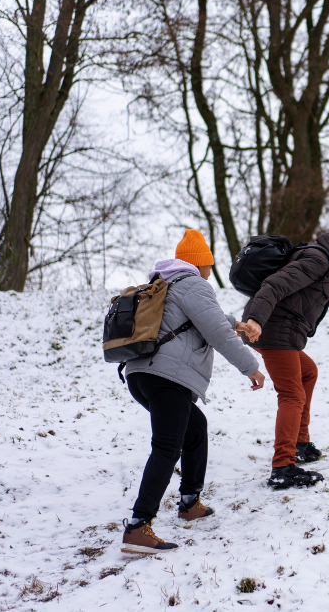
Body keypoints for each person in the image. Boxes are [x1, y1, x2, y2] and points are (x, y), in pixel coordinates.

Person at [121, 229, 266, 555]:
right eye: (208, 266)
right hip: (167, 378)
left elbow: (199, 319)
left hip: (141, 375)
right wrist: (251, 367)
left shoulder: (163, 285)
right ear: (201, 265)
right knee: (167, 447)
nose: (209, 272)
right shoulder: (194, 284)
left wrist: (233, 322)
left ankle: (189, 502)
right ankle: (137, 526)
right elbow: (215, 331)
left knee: (194, 428)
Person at [239, 230, 329, 489]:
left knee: (308, 372)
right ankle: (283, 467)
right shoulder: (319, 259)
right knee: (292, 395)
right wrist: (256, 320)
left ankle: (300, 444)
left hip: (281, 331)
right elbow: (275, 284)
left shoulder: (327, 262)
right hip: (272, 330)